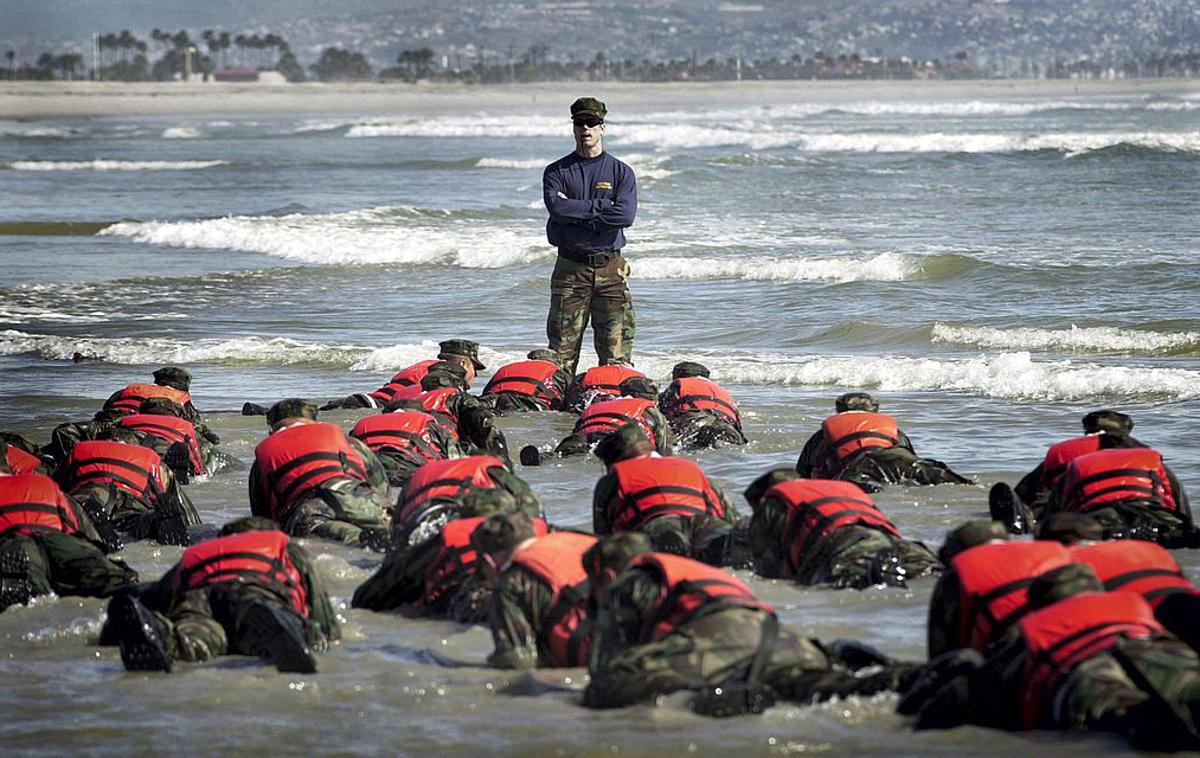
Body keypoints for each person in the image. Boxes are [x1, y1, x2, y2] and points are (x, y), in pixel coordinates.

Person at [583, 532, 919, 714]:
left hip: (722, 639)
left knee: (605, 689)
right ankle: (912, 677)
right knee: (830, 690)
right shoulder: (696, 572)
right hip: (778, 635)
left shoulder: (630, 579)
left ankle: (729, 702)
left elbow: (604, 672)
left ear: (608, 575)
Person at [900, 564, 1200, 751]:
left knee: (1137, 725)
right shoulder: (1136, 608)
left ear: (1041, 606)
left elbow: (972, 697)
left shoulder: (1030, 633)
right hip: (1161, 653)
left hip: (1089, 680)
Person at [102, 516, 339, 674]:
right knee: (290, 628)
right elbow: (323, 615)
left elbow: (155, 597)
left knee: (197, 636)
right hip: (255, 592)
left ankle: (171, 641)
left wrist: (128, 624)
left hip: (198, 597)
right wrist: (325, 634)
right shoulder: (284, 546)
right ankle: (270, 624)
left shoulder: (199, 552)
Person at [543, 97, 638, 376]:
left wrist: (578, 212)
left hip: (611, 269)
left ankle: (608, 412)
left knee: (616, 356)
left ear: (602, 127)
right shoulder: (556, 171)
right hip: (570, 270)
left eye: (592, 123)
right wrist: (601, 207)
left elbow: (625, 217)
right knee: (560, 356)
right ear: (573, 128)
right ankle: (557, 418)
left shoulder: (621, 172)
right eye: (580, 123)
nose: (586, 128)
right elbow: (557, 209)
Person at [352, 490, 547, 622]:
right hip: (537, 609)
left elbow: (371, 596)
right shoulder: (545, 534)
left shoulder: (449, 537)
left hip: (468, 612)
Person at [743, 469, 940, 590]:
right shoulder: (843, 488)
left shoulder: (772, 504)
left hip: (847, 555)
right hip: (905, 548)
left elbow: (768, 574)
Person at [0, 441, 137, 611]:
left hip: (14, 553)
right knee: (120, 583)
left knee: (28, 603)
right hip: (62, 544)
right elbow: (92, 538)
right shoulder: (44, 483)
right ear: (6, 457)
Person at [248, 399, 391, 547]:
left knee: (358, 543)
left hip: (314, 514)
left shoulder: (263, 460)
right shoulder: (350, 443)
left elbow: (263, 523)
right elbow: (382, 489)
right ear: (314, 421)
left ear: (272, 429)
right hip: (367, 502)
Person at [924, 520, 1073, 658]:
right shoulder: (1056, 553)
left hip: (1011, 658)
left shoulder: (958, 572)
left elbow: (941, 653)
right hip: (1070, 645)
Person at [591, 424, 737, 565]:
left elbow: (603, 540)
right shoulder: (690, 468)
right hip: (708, 528)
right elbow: (731, 517)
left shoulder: (612, 479)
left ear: (613, 462)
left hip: (659, 531)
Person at [471, 511, 599, 669]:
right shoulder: (579, 541)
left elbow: (517, 662)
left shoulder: (511, 582)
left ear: (488, 562)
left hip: (601, 659)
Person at [794, 392, 970, 491]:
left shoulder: (822, 435)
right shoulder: (895, 431)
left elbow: (802, 474)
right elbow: (908, 454)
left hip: (860, 468)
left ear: (839, 411)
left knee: (875, 493)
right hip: (902, 460)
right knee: (948, 481)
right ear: (875, 411)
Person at [45, 366, 219, 464]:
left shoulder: (128, 389)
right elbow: (193, 426)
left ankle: (67, 466)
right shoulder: (181, 398)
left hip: (102, 426)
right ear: (183, 386)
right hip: (137, 430)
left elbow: (106, 408)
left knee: (64, 432)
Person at [1043, 443, 1194, 547]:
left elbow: (1056, 513)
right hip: (1150, 515)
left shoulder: (1077, 463)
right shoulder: (1153, 462)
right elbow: (1180, 508)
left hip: (1100, 520)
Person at [55, 436, 198, 546]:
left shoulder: (79, 449)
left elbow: (55, 487)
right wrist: (189, 523)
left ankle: (95, 524)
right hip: (132, 500)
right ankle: (151, 522)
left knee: (78, 511)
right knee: (136, 522)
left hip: (92, 495)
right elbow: (184, 508)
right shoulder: (149, 457)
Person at [390, 454, 543, 549]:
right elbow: (532, 507)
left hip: (418, 527)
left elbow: (395, 524)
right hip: (461, 529)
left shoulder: (421, 472)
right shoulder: (494, 470)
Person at [314, 339, 486, 411]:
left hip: (362, 400)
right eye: (475, 370)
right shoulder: (443, 375)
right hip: (373, 407)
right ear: (462, 364)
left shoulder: (422, 365)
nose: (475, 376)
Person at [387, 361, 510, 463]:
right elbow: (483, 421)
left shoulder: (411, 401)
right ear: (458, 386)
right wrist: (500, 461)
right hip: (438, 451)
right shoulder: (455, 396)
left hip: (398, 451)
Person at [549, 376, 672, 459]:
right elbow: (665, 452)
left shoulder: (594, 407)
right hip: (620, 446)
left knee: (557, 456)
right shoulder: (650, 411)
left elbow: (576, 432)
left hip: (579, 443)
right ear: (653, 399)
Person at [349, 408, 463, 487]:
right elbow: (455, 456)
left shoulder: (363, 423)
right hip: (409, 468)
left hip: (368, 470)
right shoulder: (425, 420)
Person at [658, 361, 747, 449]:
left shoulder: (679, 384)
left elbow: (658, 410)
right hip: (730, 430)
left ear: (678, 375)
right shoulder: (724, 392)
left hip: (697, 421)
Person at [479, 349, 573, 413]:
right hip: (528, 403)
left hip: (490, 400)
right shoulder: (556, 371)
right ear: (556, 363)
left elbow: (486, 391)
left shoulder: (505, 368)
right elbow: (572, 403)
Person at [563, 363, 646, 413]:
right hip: (616, 403)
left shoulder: (589, 373)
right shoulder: (637, 376)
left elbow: (572, 392)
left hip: (591, 399)